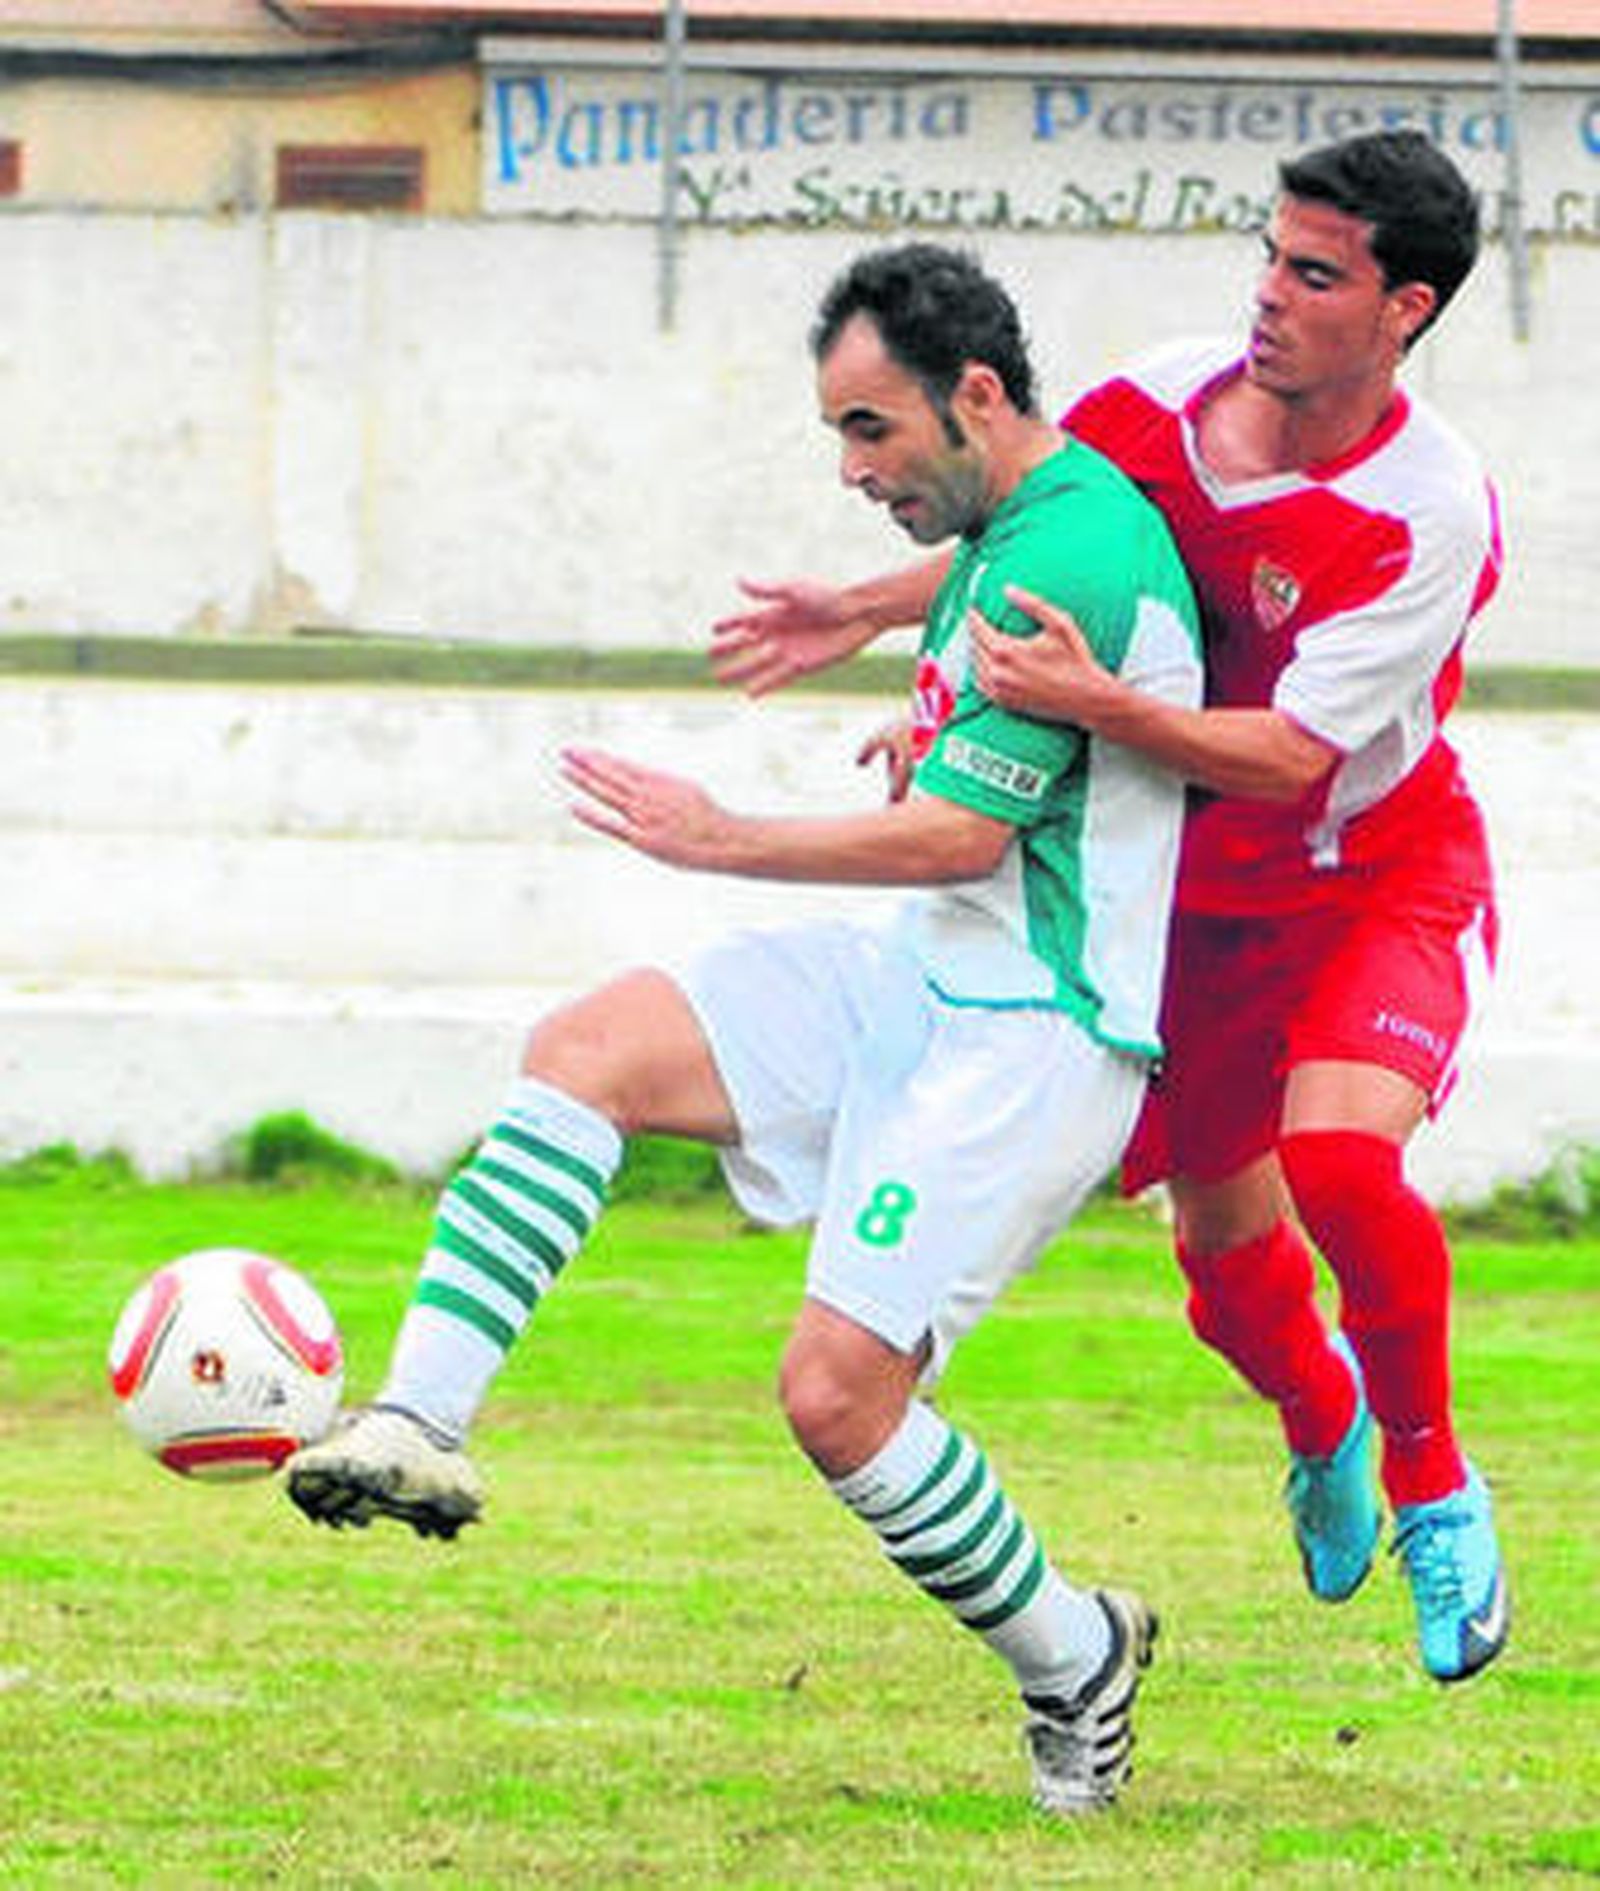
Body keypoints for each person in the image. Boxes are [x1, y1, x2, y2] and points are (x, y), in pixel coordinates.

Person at [286, 242, 1203, 1814]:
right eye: (840, 433)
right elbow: (969, 715)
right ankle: (418, 1419)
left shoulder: (1084, 546)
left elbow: (958, 839)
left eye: (872, 429)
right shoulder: (1018, 520)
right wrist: (871, 633)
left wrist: (718, 835)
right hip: (920, 969)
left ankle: (1074, 1661)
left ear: (976, 396)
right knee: (591, 1047)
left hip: (1037, 1035)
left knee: (837, 1401)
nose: (852, 468)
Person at [709, 131, 1509, 1687]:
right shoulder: (1160, 399)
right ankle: (1322, 1415)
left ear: (1405, 309)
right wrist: (883, 626)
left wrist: (1084, 705)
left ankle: (1432, 1478)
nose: (1269, 294)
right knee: (1222, 1264)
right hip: (1197, 901)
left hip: (1371, 878)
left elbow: (1288, 757)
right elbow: (1046, 534)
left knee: (1342, 1159)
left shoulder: (1431, 510)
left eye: (1316, 273)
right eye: (1272, 254)